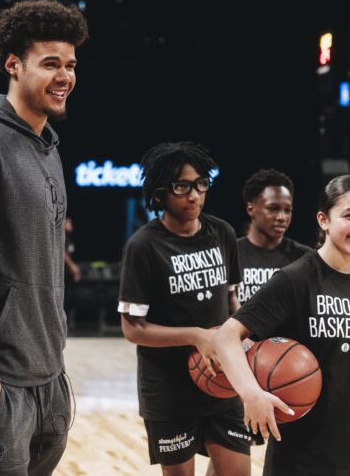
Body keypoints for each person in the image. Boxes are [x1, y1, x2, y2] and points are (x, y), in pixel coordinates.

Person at [0, 0, 88, 475]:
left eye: (70, 65)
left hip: (51, 380)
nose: (64, 76)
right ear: (13, 65)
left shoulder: (49, 149)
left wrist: (58, 374)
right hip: (2, 384)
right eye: (50, 64)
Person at [118, 141, 252, 476]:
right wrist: (196, 336)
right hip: (169, 389)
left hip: (222, 381)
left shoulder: (222, 233)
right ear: (160, 192)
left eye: (200, 185)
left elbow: (232, 302)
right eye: (182, 187)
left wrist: (244, 338)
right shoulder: (143, 246)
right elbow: (133, 328)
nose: (193, 195)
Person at [212, 175, 350, 475]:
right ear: (323, 220)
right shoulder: (296, 279)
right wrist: (251, 393)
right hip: (303, 455)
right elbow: (226, 336)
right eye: (349, 216)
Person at [237, 168, 312, 305]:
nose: (282, 217)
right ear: (251, 209)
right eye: (273, 208)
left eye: (287, 210)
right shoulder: (231, 253)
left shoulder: (305, 257)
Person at [64, 217, 82, 331]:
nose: (71, 225)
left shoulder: (69, 239)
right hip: (63, 274)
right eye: (68, 223)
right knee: (65, 299)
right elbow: (63, 254)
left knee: (71, 297)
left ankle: (69, 323)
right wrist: (73, 267)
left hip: (68, 275)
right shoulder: (62, 239)